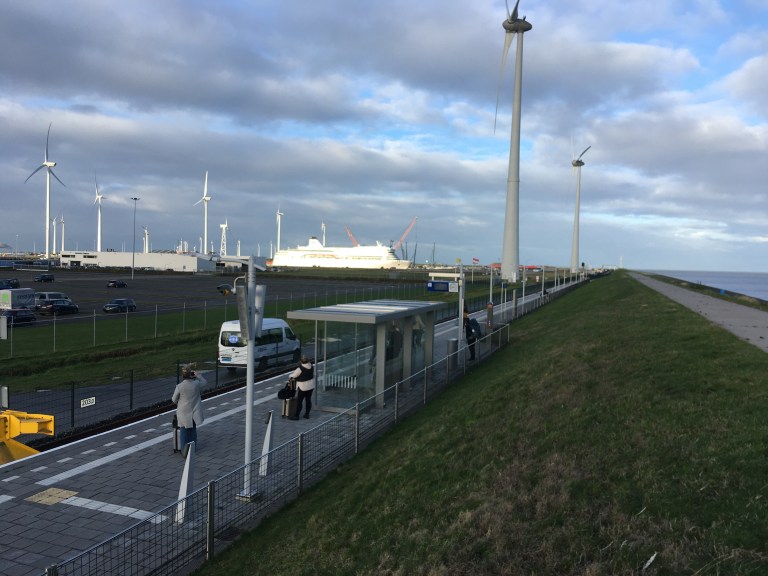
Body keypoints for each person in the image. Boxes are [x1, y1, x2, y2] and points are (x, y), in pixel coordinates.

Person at [172, 364, 206, 452]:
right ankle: (192, 449)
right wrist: (198, 375)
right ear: (191, 374)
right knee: (193, 430)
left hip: (183, 413)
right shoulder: (196, 384)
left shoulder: (179, 387)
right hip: (194, 412)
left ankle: (184, 450)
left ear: (182, 375)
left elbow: (174, 399)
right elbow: (205, 382)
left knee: (183, 431)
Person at [288, 355, 315, 420]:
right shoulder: (311, 365)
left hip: (302, 387)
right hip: (311, 385)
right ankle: (307, 414)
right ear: (307, 360)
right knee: (308, 400)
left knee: (299, 401)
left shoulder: (300, 368)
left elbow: (293, 376)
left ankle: (296, 415)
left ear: (301, 361)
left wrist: (290, 375)